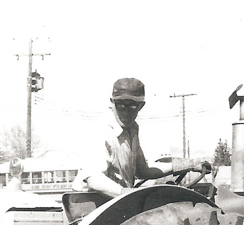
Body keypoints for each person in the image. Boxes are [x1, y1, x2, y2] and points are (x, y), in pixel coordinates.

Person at [72, 77, 211, 196]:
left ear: (140, 106)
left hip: (117, 199)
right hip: (92, 204)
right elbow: (93, 179)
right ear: (112, 102)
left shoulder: (131, 129)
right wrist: (126, 193)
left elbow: (143, 170)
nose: (125, 112)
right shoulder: (101, 130)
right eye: (120, 105)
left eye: (131, 107)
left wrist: (187, 164)